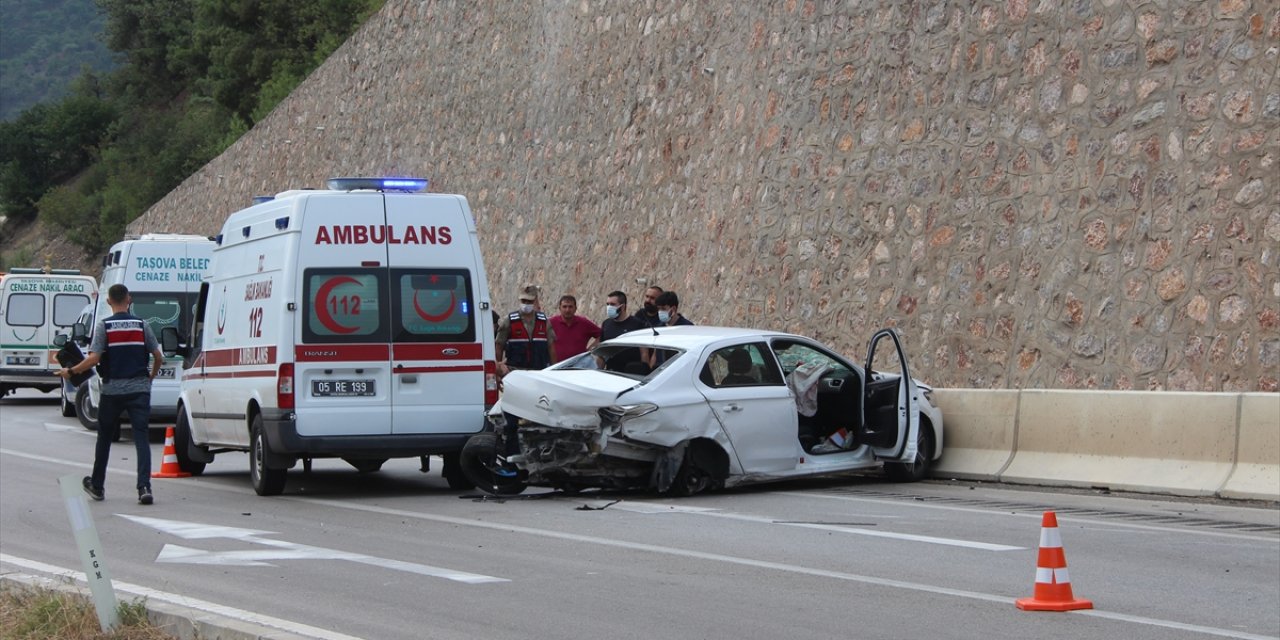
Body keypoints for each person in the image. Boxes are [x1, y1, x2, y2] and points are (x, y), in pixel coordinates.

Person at [56, 284, 164, 504]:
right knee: (141, 439)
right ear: (129, 299)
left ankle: (97, 486)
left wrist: (72, 371)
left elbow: (94, 359)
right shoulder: (142, 325)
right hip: (139, 389)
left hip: (112, 390)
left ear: (108, 302)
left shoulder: (104, 327)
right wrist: (150, 377)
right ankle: (144, 487)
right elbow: (157, 356)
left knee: (104, 438)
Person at [495, 284, 556, 377]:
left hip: (539, 372)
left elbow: (551, 347)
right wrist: (498, 369)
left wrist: (553, 370)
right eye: (524, 301)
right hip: (514, 371)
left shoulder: (544, 321)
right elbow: (499, 346)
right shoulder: (509, 321)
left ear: (535, 300)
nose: (526, 304)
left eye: (529, 301)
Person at [600, 290, 647, 372]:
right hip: (611, 372)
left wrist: (645, 372)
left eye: (613, 304)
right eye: (607, 304)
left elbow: (644, 352)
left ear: (622, 307)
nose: (609, 307)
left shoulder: (637, 324)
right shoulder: (606, 324)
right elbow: (602, 354)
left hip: (631, 373)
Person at [648, 290, 694, 368]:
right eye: (659, 309)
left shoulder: (687, 328)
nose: (660, 312)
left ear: (673, 309)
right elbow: (655, 353)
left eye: (663, 308)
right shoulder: (659, 327)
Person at [550, 294, 601, 363]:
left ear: (575, 308)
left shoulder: (584, 323)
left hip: (579, 366)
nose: (567, 310)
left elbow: (601, 335)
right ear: (560, 308)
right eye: (564, 307)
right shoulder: (551, 323)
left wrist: (590, 350)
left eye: (570, 307)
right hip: (556, 366)